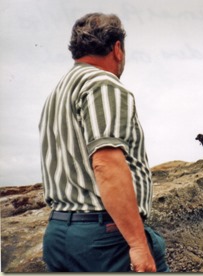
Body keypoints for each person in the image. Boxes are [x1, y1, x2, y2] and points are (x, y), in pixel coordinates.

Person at [39, 13, 169, 272]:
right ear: (117, 49)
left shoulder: (57, 93)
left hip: (57, 235)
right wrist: (138, 244)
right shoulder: (105, 85)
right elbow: (106, 164)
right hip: (104, 239)